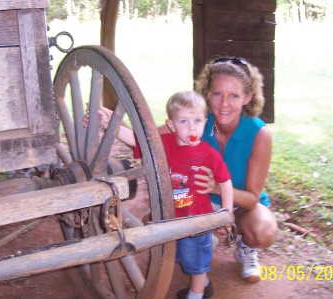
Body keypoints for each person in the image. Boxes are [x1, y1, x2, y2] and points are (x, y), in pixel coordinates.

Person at [99, 91, 233, 299]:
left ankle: (197, 293)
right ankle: (203, 283)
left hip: (196, 220)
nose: (192, 127)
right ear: (171, 125)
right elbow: (137, 141)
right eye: (184, 121)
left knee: (195, 262)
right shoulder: (166, 143)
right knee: (179, 255)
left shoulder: (208, 153)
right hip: (170, 216)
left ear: (205, 122)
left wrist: (227, 211)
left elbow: (225, 180)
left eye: (197, 121)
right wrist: (112, 126)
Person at [192, 56, 278, 283]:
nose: (224, 103)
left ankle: (246, 248)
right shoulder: (197, 121)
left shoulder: (259, 134)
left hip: (241, 205)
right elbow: (154, 136)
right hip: (202, 203)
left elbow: (251, 198)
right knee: (159, 222)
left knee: (264, 231)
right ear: (207, 93)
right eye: (217, 93)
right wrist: (115, 123)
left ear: (248, 97)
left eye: (234, 95)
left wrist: (217, 187)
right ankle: (207, 233)